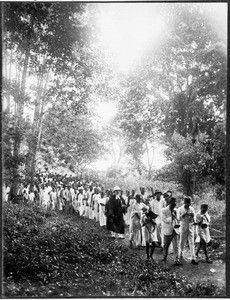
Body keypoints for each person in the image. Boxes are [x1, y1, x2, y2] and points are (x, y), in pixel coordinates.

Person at [178, 196, 198, 264]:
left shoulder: (192, 209)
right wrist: (183, 215)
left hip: (190, 226)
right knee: (182, 242)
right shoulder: (180, 209)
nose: (189, 205)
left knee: (192, 243)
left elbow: (194, 219)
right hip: (183, 226)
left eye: (189, 203)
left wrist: (192, 216)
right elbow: (178, 218)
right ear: (184, 203)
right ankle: (180, 256)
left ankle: (193, 258)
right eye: (187, 203)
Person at [161, 197, 181, 265]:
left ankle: (176, 260)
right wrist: (171, 217)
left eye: (175, 202)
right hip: (167, 229)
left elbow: (178, 220)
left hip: (175, 230)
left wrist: (175, 217)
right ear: (169, 203)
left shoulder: (176, 210)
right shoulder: (164, 210)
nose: (174, 204)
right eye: (173, 202)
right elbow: (164, 220)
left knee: (176, 245)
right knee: (166, 245)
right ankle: (165, 256)